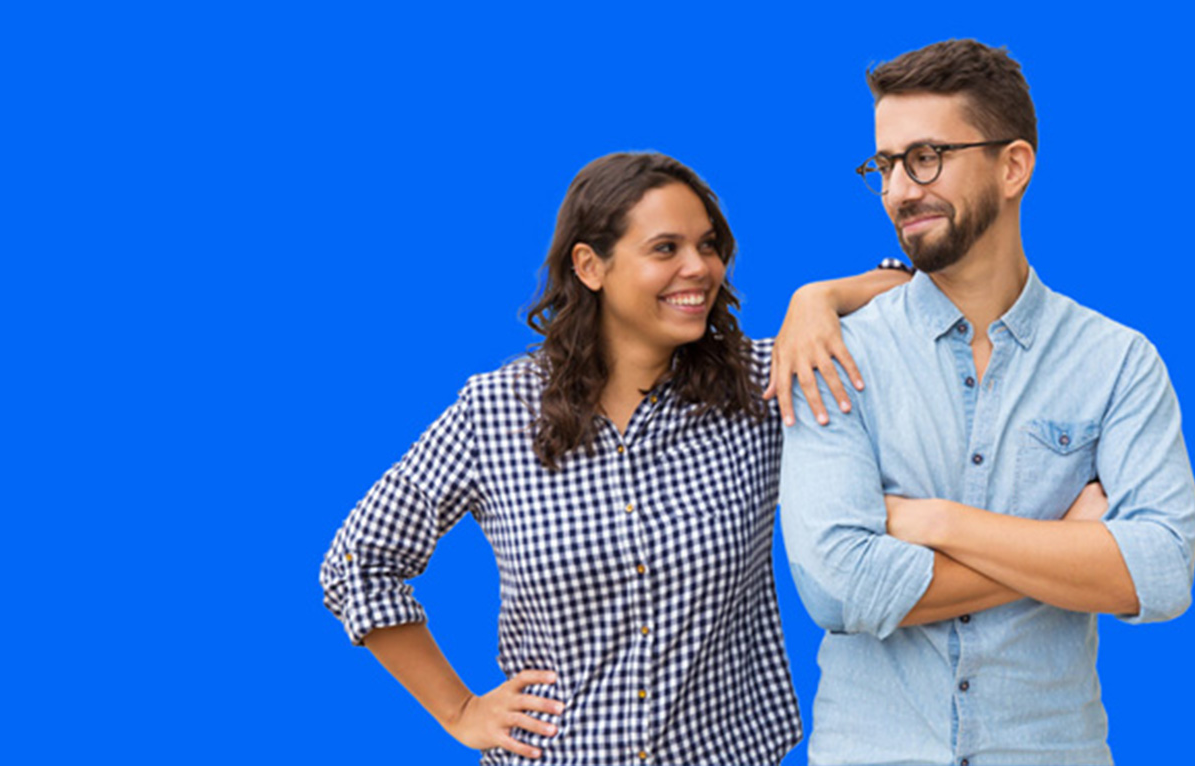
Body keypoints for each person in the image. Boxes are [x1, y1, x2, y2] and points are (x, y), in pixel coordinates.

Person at [320, 152, 906, 765]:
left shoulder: (762, 384)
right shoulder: (494, 412)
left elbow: (912, 298)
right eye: (665, 249)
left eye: (708, 246)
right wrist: (460, 709)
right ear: (590, 265)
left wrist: (817, 298)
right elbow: (357, 564)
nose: (698, 268)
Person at [780, 40, 1195, 766]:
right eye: (885, 165)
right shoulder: (834, 354)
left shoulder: (1117, 361)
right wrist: (1066, 549)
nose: (899, 189)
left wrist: (935, 522)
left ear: (1013, 167)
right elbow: (840, 589)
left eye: (927, 156)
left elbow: (1161, 573)